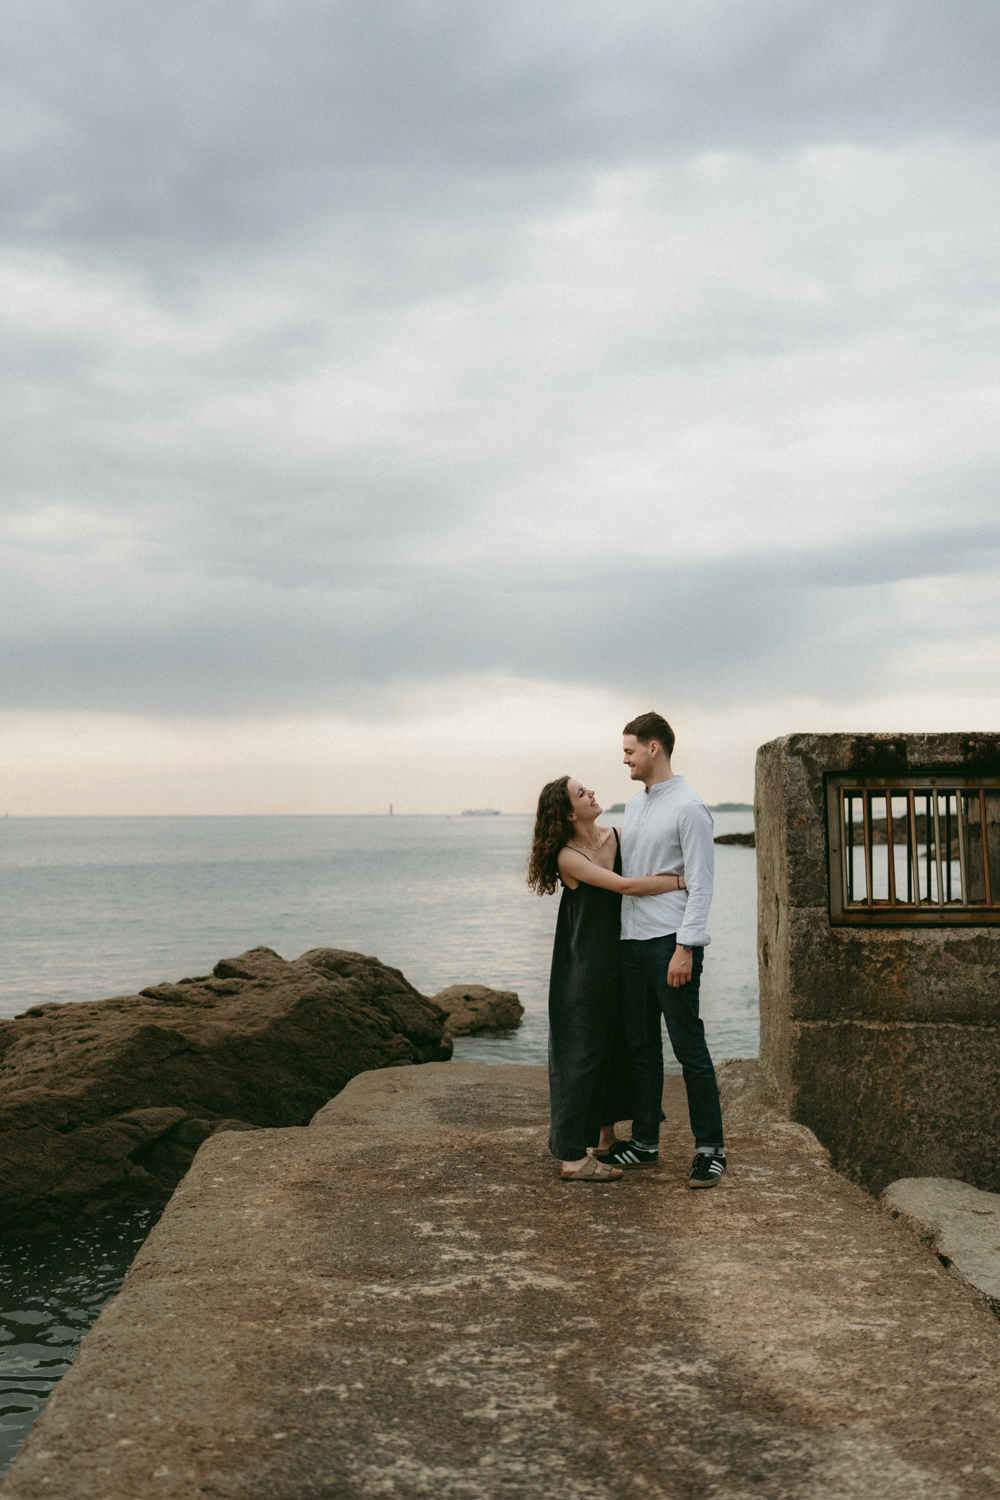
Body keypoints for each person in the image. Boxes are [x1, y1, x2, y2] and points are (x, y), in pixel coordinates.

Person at [528, 774, 687, 1184]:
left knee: (617, 1046)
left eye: (587, 788)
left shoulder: (617, 834)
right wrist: (682, 880)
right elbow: (625, 885)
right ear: (567, 813)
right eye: (582, 794)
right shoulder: (567, 856)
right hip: (582, 965)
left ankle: (604, 1139)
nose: (592, 793)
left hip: (621, 960)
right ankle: (571, 1158)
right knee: (580, 1053)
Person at [597, 713, 726, 1188]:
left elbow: (702, 885)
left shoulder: (690, 808)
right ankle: (646, 1143)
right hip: (632, 943)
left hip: (670, 942)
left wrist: (686, 947)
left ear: (655, 748)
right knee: (642, 1048)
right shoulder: (635, 805)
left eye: (630, 749)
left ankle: (710, 1149)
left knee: (689, 1047)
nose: (624, 758)